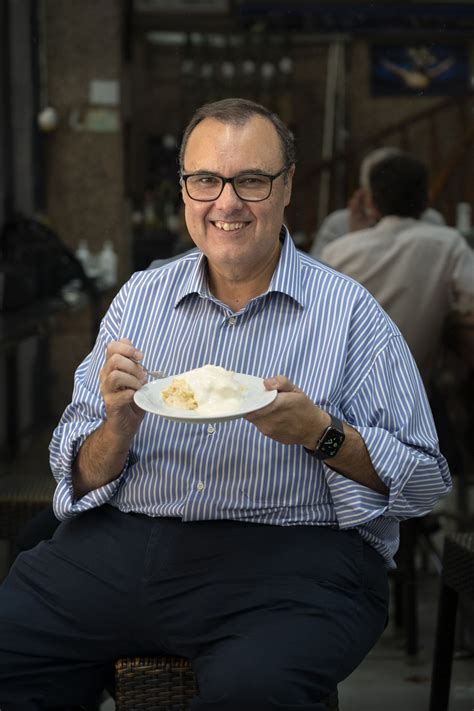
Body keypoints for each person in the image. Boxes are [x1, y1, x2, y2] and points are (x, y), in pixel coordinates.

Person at [0, 98, 452, 711]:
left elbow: (426, 481)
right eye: (206, 179)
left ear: (288, 187)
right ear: (185, 188)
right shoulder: (142, 298)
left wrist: (322, 433)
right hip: (123, 545)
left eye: (252, 180)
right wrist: (118, 425)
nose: (226, 202)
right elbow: (75, 473)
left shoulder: (349, 314)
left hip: (291, 564)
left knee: (258, 691)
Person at [320, 151, 474, 390]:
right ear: (426, 199)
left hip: (340, 394)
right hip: (415, 392)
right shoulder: (447, 245)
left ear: (370, 201)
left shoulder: (339, 252)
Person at [309, 146, 445, 259]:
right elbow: (315, 278)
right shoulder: (339, 223)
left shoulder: (431, 221)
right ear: (365, 193)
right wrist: (356, 238)